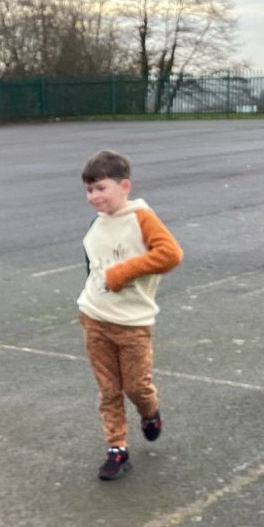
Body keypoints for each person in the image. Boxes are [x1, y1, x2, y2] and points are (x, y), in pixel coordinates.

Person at [76, 150, 183, 481]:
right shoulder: (97, 224)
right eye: (90, 190)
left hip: (133, 324)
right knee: (108, 389)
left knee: (136, 386)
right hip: (94, 317)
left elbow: (170, 254)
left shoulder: (141, 218)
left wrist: (122, 273)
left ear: (124, 186)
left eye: (101, 188)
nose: (94, 197)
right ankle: (117, 449)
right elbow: (94, 268)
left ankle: (150, 412)